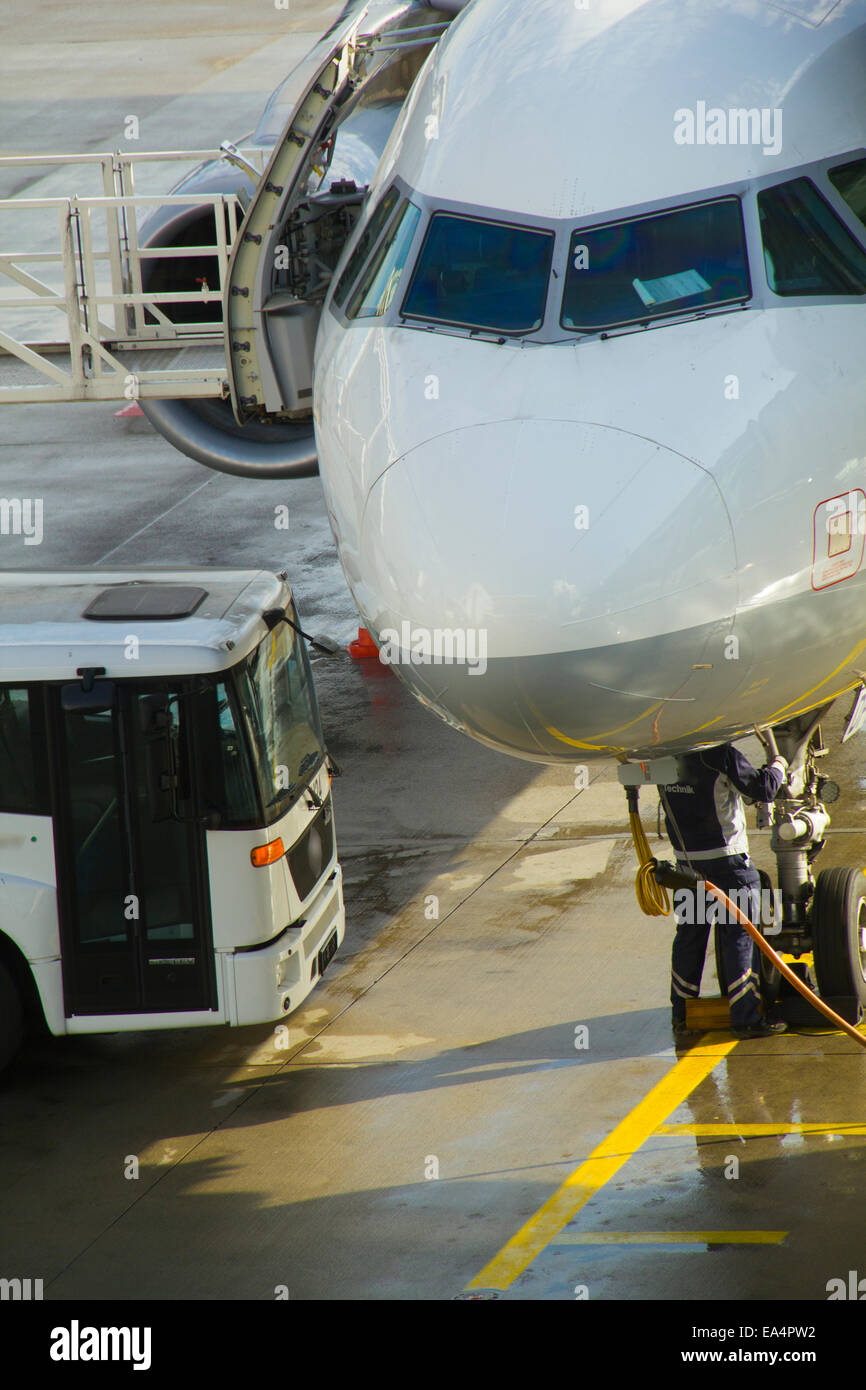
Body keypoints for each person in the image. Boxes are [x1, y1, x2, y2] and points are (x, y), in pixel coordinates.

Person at [658, 741, 789, 1039]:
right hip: (729, 866)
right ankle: (745, 1019)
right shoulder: (718, 754)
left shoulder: (663, 752)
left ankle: (682, 1015)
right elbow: (763, 789)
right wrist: (779, 766)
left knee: (690, 937)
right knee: (739, 937)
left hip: (688, 866)